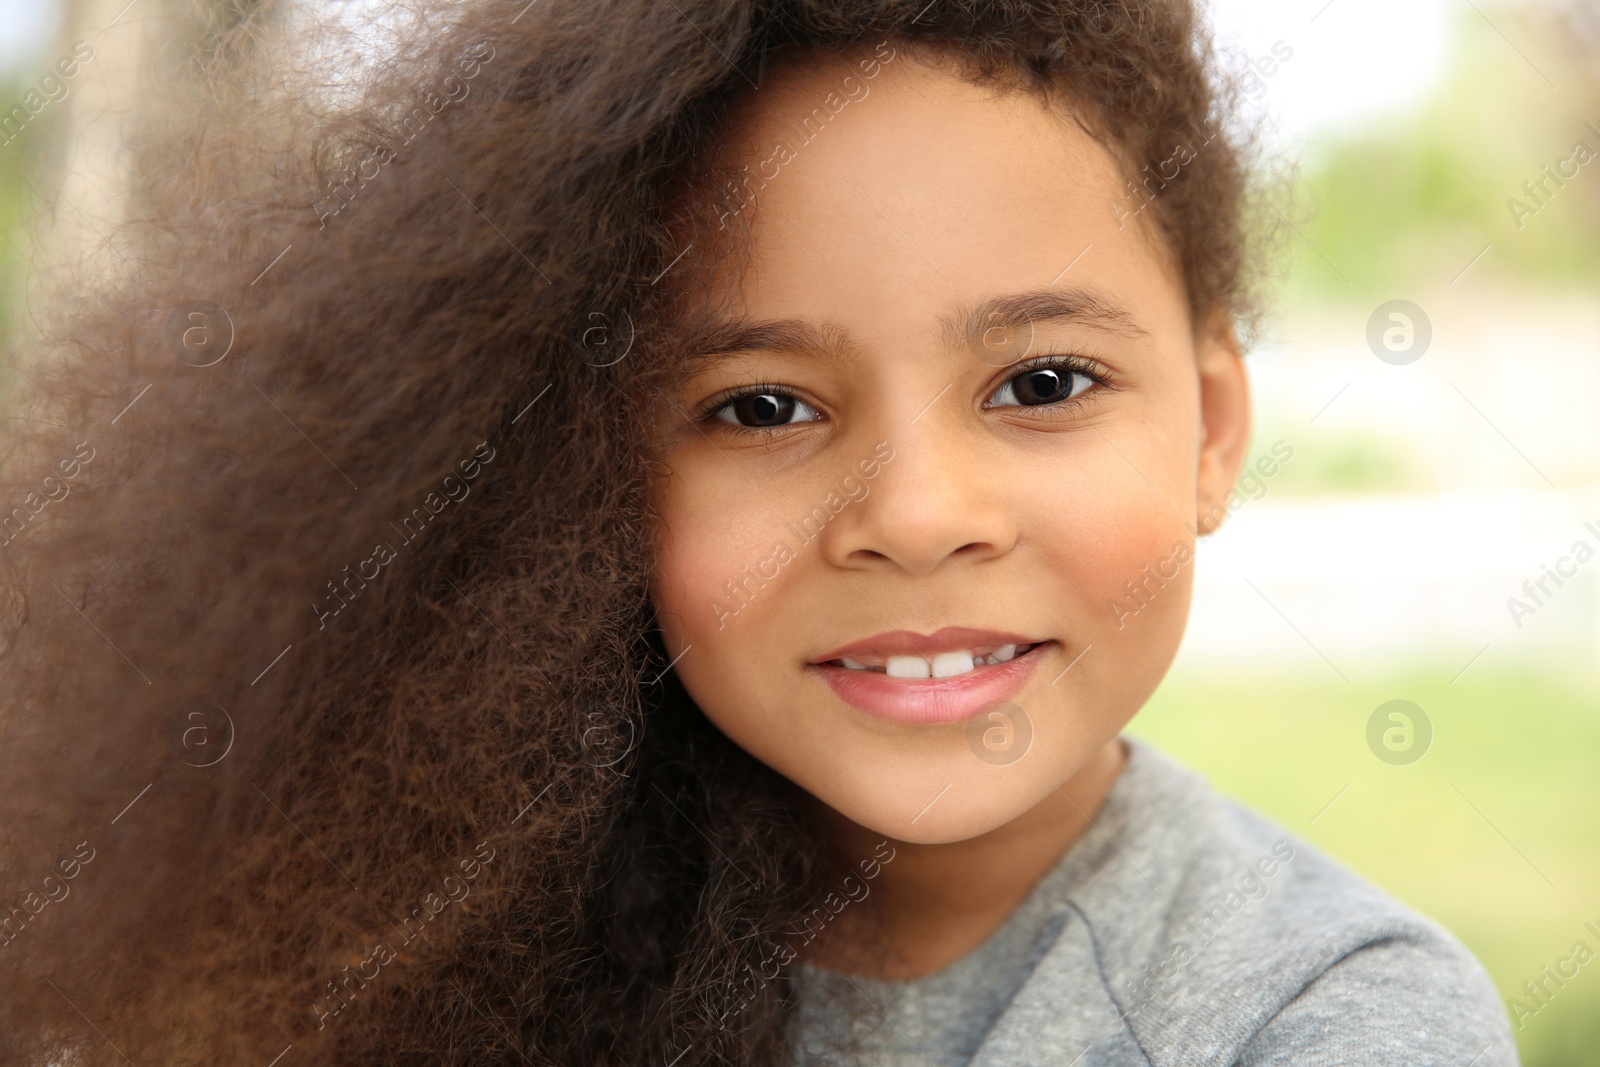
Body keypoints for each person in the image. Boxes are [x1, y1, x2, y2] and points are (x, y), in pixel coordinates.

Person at [0, 1, 1517, 1064]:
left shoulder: (1325, 1017)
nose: (917, 516)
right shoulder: (406, 934)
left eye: (1041, 383)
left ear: (1213, 431)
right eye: (763, 409)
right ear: (579, 481)